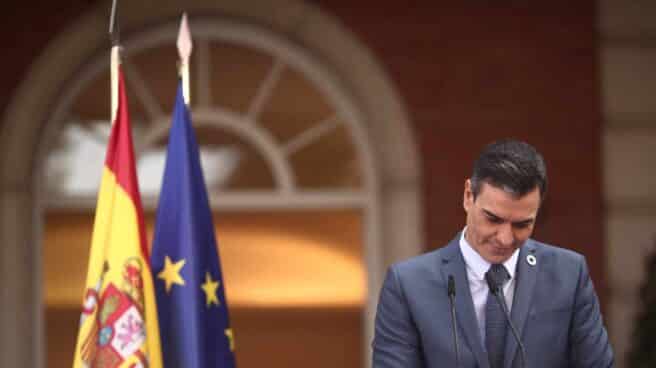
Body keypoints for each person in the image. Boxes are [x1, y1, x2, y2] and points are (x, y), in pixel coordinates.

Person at [372, 139, 614, 368]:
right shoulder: (408, 285)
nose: (505, 238)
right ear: (468, 196)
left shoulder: (569, 275)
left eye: (522, 224)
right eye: (493, 219)